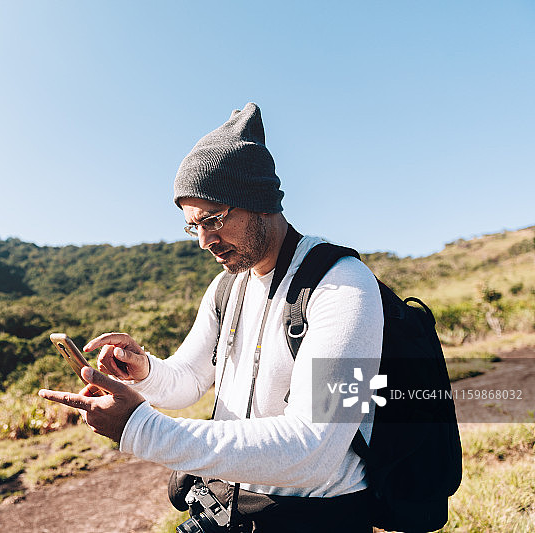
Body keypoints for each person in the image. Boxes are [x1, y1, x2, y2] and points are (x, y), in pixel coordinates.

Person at [39, 103, 383, 532]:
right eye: (193, 226)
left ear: (260, 203)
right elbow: (188, 381)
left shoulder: (345, 286)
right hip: (229, 510)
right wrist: (143, 370)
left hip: (316, 518)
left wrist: (140, 429)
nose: (204, 241)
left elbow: (315, 449)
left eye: (214, 220)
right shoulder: (227, 287)